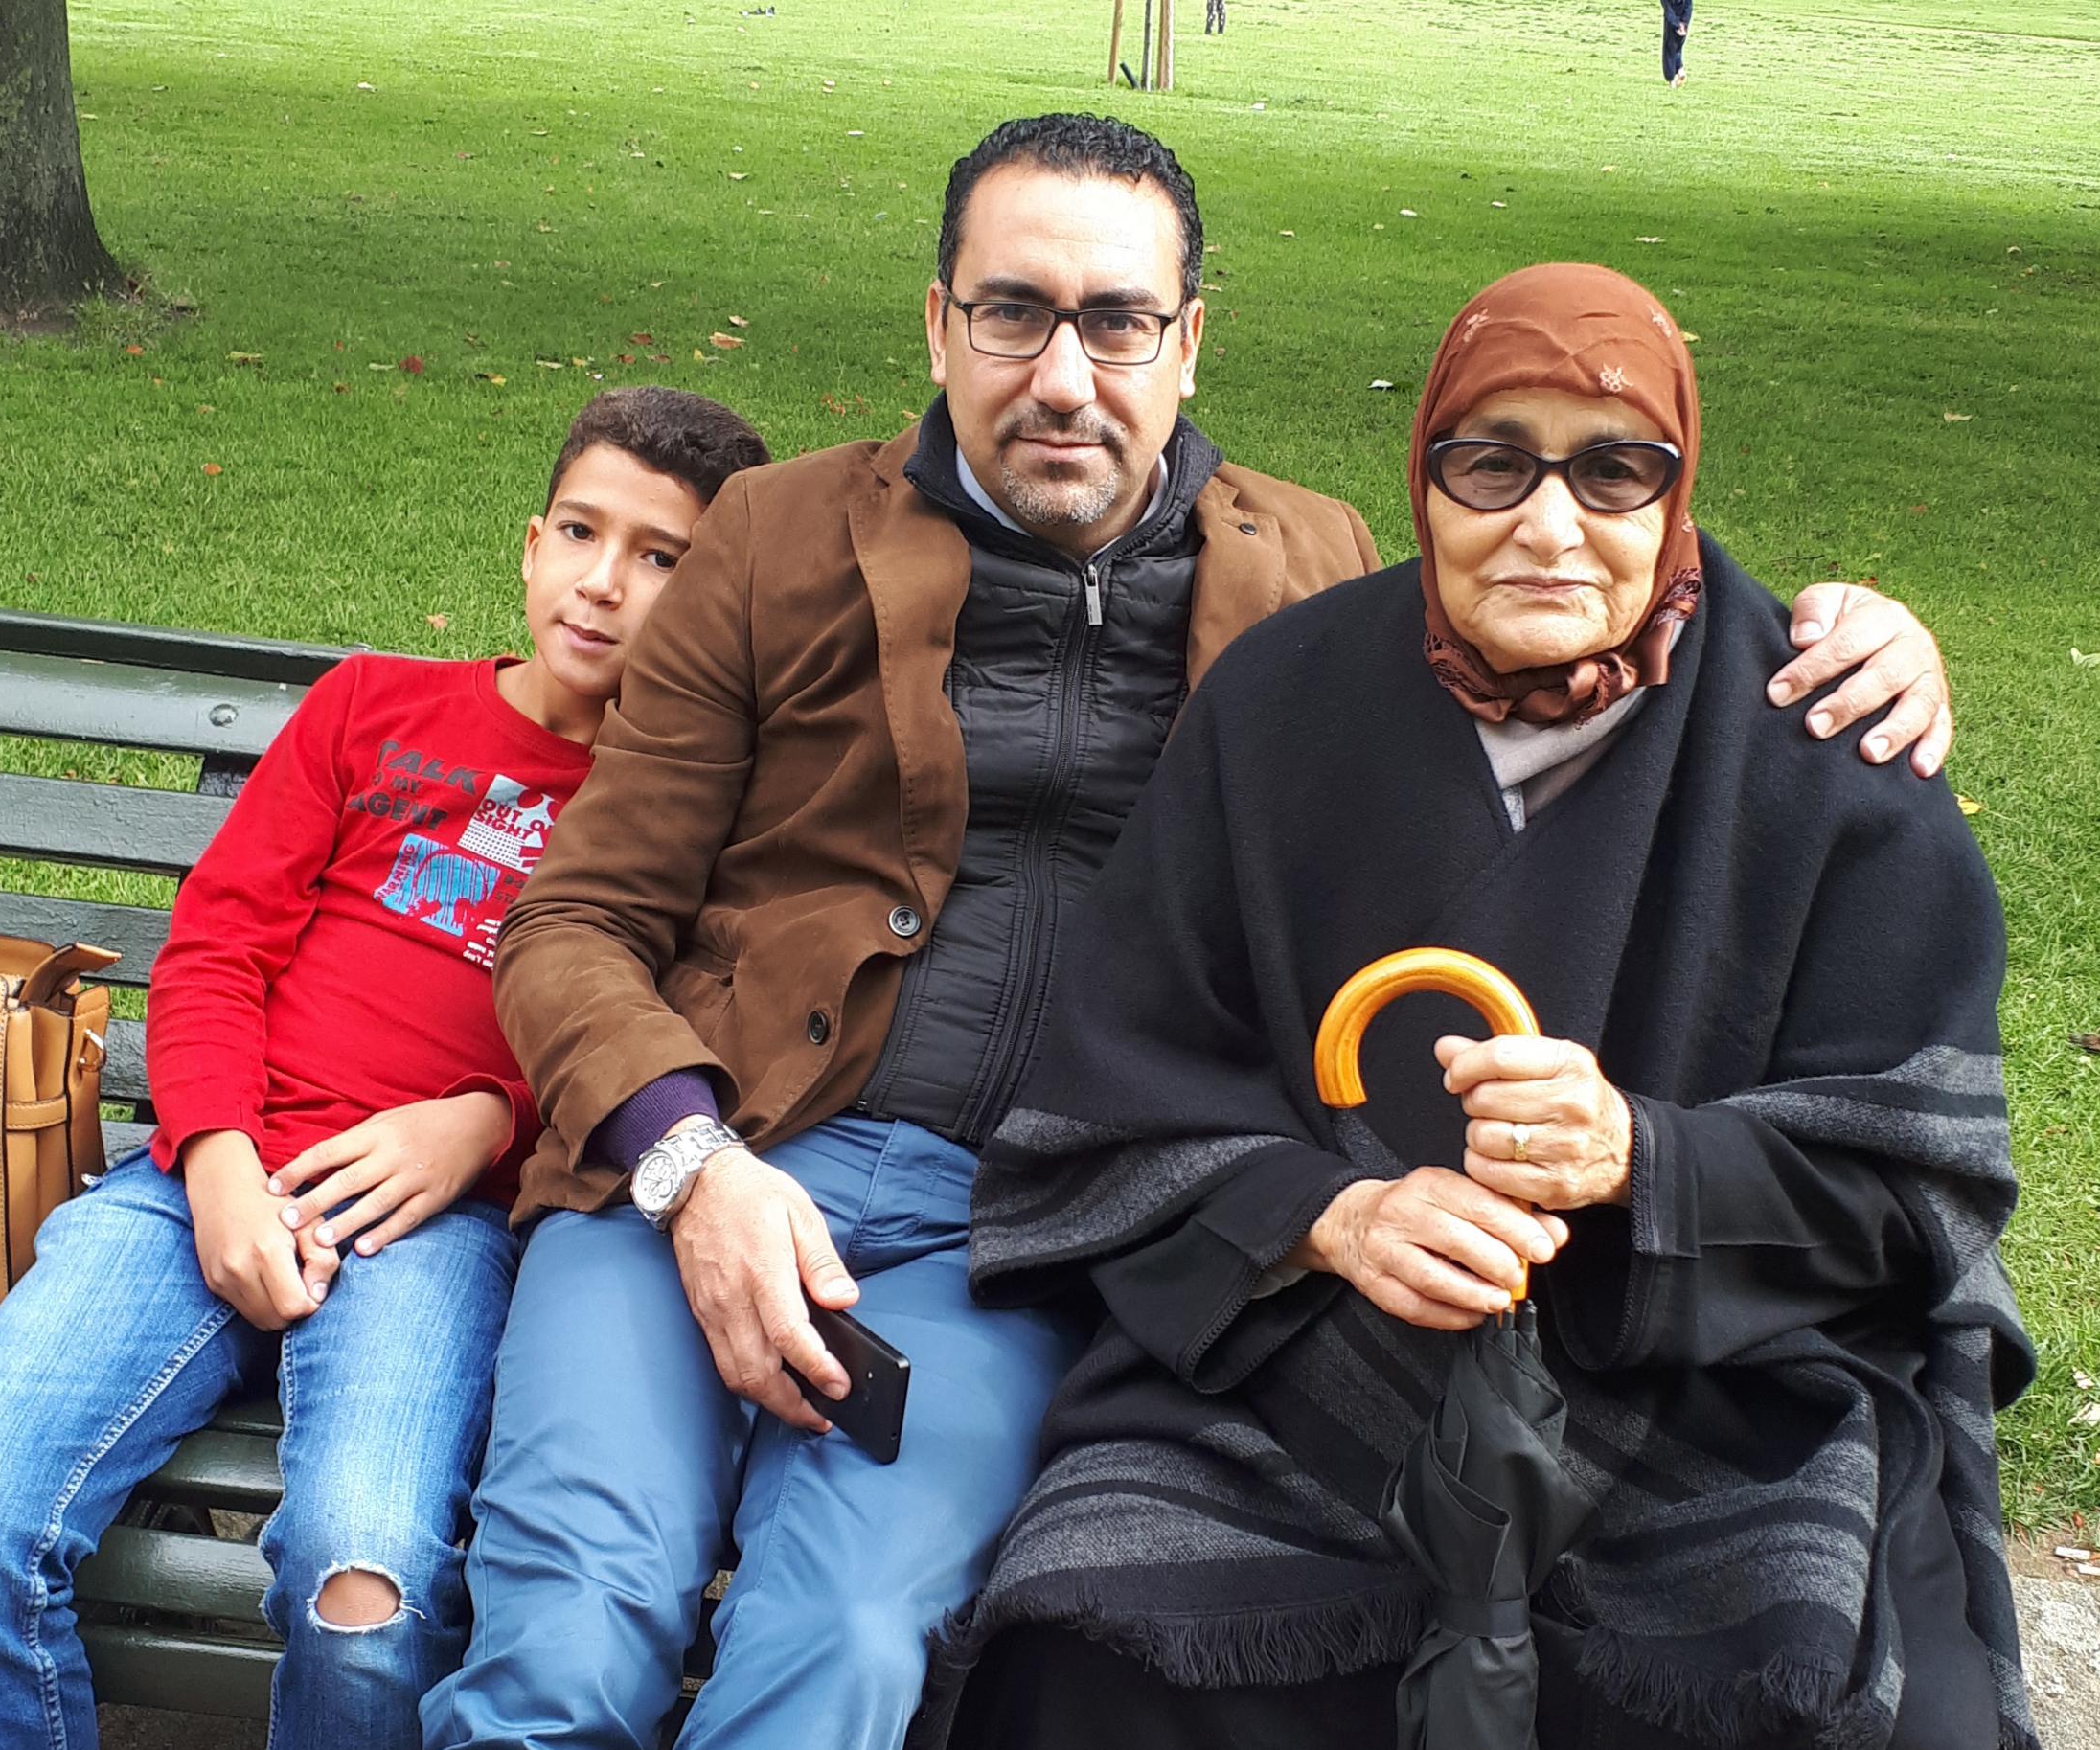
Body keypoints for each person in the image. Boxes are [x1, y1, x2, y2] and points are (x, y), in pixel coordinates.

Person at [419, 118, 1954, 1750]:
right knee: (568, 1635)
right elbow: (577, 917)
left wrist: (1844, 641)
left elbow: (1570, 609)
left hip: (1017, 1228)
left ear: (1188, 339)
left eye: (1117, 321)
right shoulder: (775, 540)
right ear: (938, 324)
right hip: (697, 1165)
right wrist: (689, 1166)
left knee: (852, 1646)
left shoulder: (1313, 578)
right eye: (1013, 314)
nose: (1065, 376)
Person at [935, 264, 2036, 1750]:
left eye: (1615, 468)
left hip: (1706, 1391)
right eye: (1492, 461)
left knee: (1873, 1703)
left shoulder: (1821, 729)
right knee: (1094, 1652)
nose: (1550, 520)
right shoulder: (1278, 706)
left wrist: (1644, 1157)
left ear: (1677, 491)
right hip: (1303, 1372)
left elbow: (1917, 1183)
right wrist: (1329, 1218)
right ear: (1427, 478)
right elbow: (1118, 1085)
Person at [0, 387, 768, 1750]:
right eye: (582, 531)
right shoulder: (376, 707)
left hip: (434, 1232)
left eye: (664, 558)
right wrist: (217, 1156)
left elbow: (676, 1054)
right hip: (195, 1186)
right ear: (530, 544)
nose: (604, 581)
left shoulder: (699, 819)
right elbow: (219, 946)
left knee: (367, 1589)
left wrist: (483, 1124)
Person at [1661, 0, 1693, 85]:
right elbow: (1688, 7)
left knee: (1669, 50)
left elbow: (1668, 10)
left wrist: (1675, 24)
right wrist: (1684, 23)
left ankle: (1671, 79)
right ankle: (1680, 70)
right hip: (1684, 25)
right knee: (1678, 49)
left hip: (1671, 25)